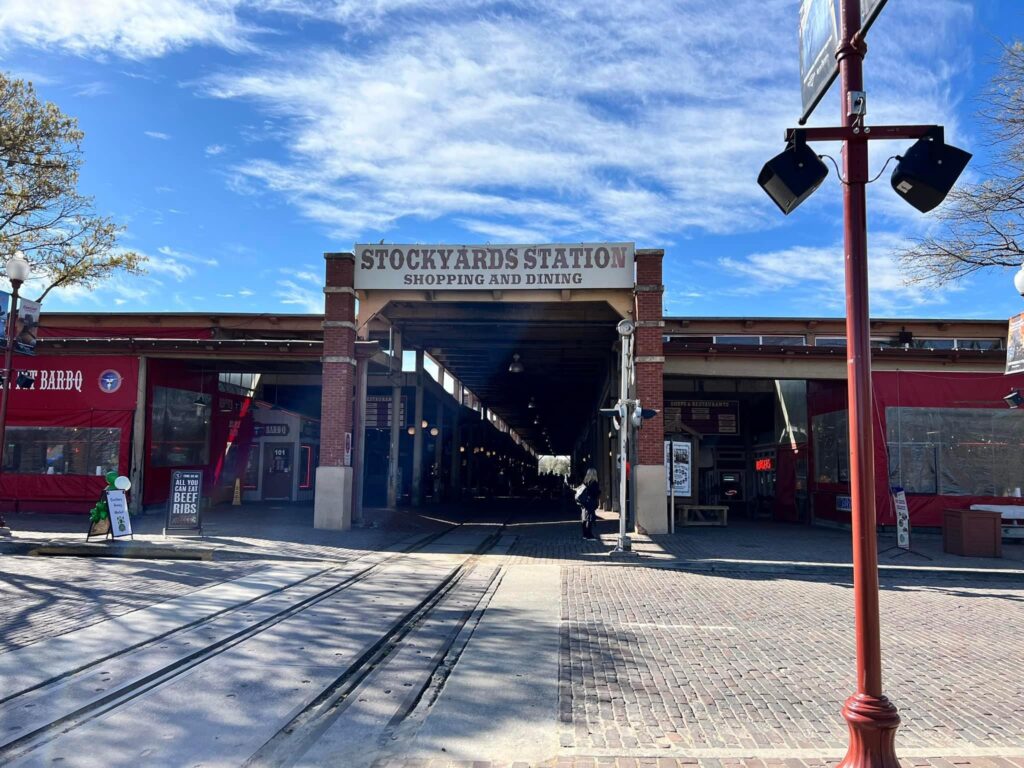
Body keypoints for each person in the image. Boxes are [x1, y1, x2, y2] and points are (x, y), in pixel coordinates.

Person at [576, 468, 600, 540]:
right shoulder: (594, 483)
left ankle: (585, 534)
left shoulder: (585, 482)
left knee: (584, 518)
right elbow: (594, 493)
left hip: (584, 502)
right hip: (590, 502)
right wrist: (599, 492)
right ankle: (589, 535)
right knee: (590, 518)